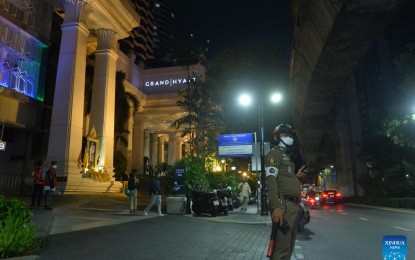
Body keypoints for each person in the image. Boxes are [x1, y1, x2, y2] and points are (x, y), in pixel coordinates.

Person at [265, 124, 307, 260]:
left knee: (288, 248)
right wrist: (276, 206)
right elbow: (271, 180)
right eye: (285, 135)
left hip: (292, 206)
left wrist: (296, 176)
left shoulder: (286, 156)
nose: (289, 138)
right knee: (281, 249)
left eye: (290, 136)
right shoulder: (274, 154)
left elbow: (283, 178)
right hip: (283, 206)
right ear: (276, 137)